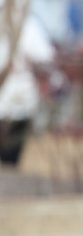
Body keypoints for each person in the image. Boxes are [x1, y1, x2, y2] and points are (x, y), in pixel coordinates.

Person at [0, 18, 55, 165]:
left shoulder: (30, 26)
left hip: (22, 96)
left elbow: (45, 55)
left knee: (12, 154)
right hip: (8, 96)